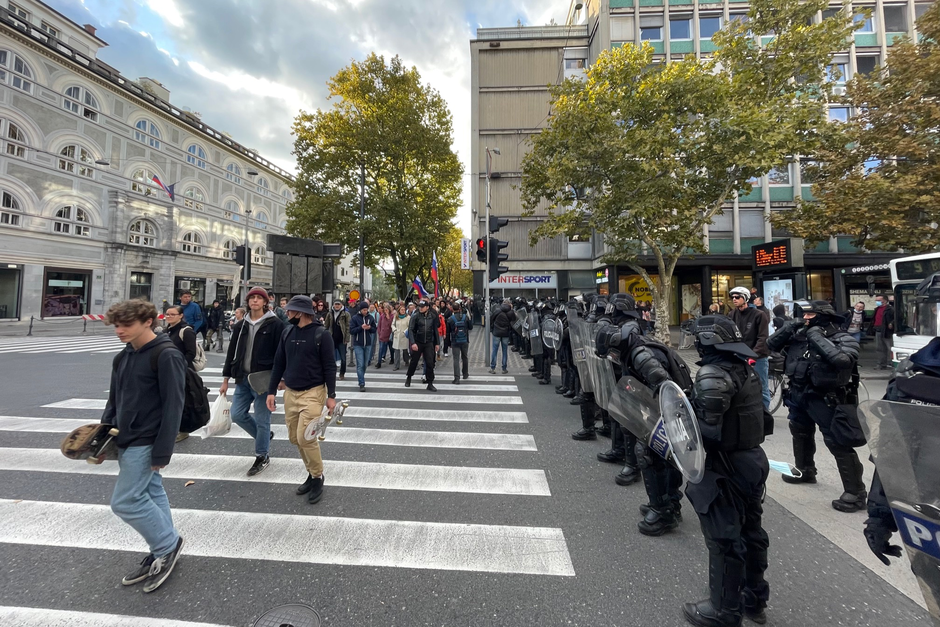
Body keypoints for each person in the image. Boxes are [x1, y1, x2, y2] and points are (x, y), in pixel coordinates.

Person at [684, 315, 770, 627]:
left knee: (724, 537)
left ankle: (723, 610)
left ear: (707, 340)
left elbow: (707, 433)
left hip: (725, 465)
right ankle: (753, 599)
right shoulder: (743, 368)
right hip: (752, 460)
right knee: (751, 531)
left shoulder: (712, 373)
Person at [101, 299, 186, 593]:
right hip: (127, 435)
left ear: (148, 321)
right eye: (117, 325)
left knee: (124, 502)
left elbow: (174, 405)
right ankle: (165, 543)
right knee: (151, 490)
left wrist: (163, 450)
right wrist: (101, 438)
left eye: (127, 325)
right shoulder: (123, 356)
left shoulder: (166, 355)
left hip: (147, 439)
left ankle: (166, 545)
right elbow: (115, 400)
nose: (120, 331)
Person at [767, 300, 865, 512]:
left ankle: (856, 492)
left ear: (823, 316)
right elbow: (770, 345)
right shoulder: (799, 335)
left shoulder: (841, 337)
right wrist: (788, 328)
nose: (805, 318)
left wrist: (817, 337)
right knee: (800, 432)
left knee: (837, 441)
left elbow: (843, 360)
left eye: (810, 315)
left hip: (826, 397)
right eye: (804, 314)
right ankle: (805, 470)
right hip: (798, 392)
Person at [266, 295, 337, 505]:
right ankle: (311, 472)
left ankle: (317, 477)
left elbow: (330, 366)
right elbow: (279, 361)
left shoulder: (321, 334)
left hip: (313, 393)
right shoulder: (287, 332)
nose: (287, 313)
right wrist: (271, 391)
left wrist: (331, 396)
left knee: (306, 437)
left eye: (290, 310)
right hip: (291, 392)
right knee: (295, 438)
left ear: (301, 312)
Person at [220, 286, 286, 476]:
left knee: (263, 419)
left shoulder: (275, 324)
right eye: (252, 298)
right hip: (242, 378)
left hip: (264, 379)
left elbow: (281, 354)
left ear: (265, 302)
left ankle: (262, 455)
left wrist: (281, 378)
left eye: (259, 298)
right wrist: (225, 379)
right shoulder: (241, 326)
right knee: (237, 414)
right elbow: (231, 353)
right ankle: (263, 437)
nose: (255, 301)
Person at [729, 286, 771, 410]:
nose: (734, 299)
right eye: (733, 297)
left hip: (757, 356)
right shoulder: (732, 314)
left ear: (746, 298)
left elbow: (763, 338)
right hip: (739, 354)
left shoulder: (759, 315)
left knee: (761, 386)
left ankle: (765, 415)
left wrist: (753, 355)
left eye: (738, 297)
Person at [405, 299, 440, 392]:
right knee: (414, 361)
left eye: (422, 306)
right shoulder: (415, 316)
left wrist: (437, 343)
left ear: (427, 307)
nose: (420, 308)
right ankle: (409, 377)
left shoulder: (432, 316)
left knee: (430, 362)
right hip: (418, 342)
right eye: (420, 306)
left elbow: (435, 330)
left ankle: (430, 383)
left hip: (429, 342)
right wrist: (413, 343)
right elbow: (411, 330)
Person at [350, 301, 376, 392]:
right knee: (360, 364)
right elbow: (352, 331)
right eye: (364, 310)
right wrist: (361, 327)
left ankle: (361, 376)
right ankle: (361, 383)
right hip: (358, 344)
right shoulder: (355, 318)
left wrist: (369, 328)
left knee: (365, 364)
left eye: (366, 309)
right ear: (361, 310)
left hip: (368, 344)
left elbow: (374, 329)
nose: (365, 311)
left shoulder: (370, 318)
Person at [325, 300, 351, 381]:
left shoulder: (345, 314)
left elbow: (348, 326)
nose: (336, 306)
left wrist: (347, 338)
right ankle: (331, 373)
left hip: (341, 339)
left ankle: (342, 373)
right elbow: (326, 325)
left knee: (343, 359)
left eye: (338, 304)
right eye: (335, 304)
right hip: (331, 339)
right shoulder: (330, 313)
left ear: (341, 305)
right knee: (330, 358)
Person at [489, 299, 517, 374]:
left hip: (496, 333)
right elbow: (514, 320)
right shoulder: (511, 312)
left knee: (494, 350)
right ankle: (504, 368)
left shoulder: (497, 310)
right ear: (509, 304)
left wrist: (492, 328)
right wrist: (511, 309)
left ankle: (493, 368)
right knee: (504, 351)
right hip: (505, 333)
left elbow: (491, 319)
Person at [448, 301, 472, 384]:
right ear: (459, 309)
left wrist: (448, 343)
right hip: (465, 340)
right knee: (465, 357)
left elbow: (448, 332)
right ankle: (465, 374)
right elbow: (471, 327)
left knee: (456, 359)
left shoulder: (451, 319)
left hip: (455, 341)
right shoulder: (465, 317)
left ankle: (457, 378)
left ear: (452, 309)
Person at [872, 294, 895, 369]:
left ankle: (892, 363)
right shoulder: (877, 309)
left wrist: (892, 323)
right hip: (878, 330)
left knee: (889, 348)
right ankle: (881, 364)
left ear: (884, 300)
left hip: (887, 331)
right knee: (879, 348)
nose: (877, 302)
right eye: (876, 300)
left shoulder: (891, 309)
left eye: (879, 300)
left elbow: (897, 318)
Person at [392, 304, 410, 371]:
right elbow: (393, 324)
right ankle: (396, 365)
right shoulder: (396, 317)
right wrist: (394, 330)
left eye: (404, 310)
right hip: (397, 335)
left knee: (405, 350)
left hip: (404, 335)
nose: (403, 311)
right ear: (399, 310)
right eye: (401, 310)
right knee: (396, 350)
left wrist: (405, 331)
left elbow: (409, 326)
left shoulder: (408, 317)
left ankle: (406, 361)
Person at [376, 303, 393, 368]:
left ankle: (392, 359)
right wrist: (379, 333)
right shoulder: (382, 316)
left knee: (391, 348)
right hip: (382, 335)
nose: (386, 311)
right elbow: (379, 325)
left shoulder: (392, 316)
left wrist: (388, 318)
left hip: (389, 335)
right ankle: (379, 362)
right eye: (385, 310)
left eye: (387, 310)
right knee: (381, 349)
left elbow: (391, 325)